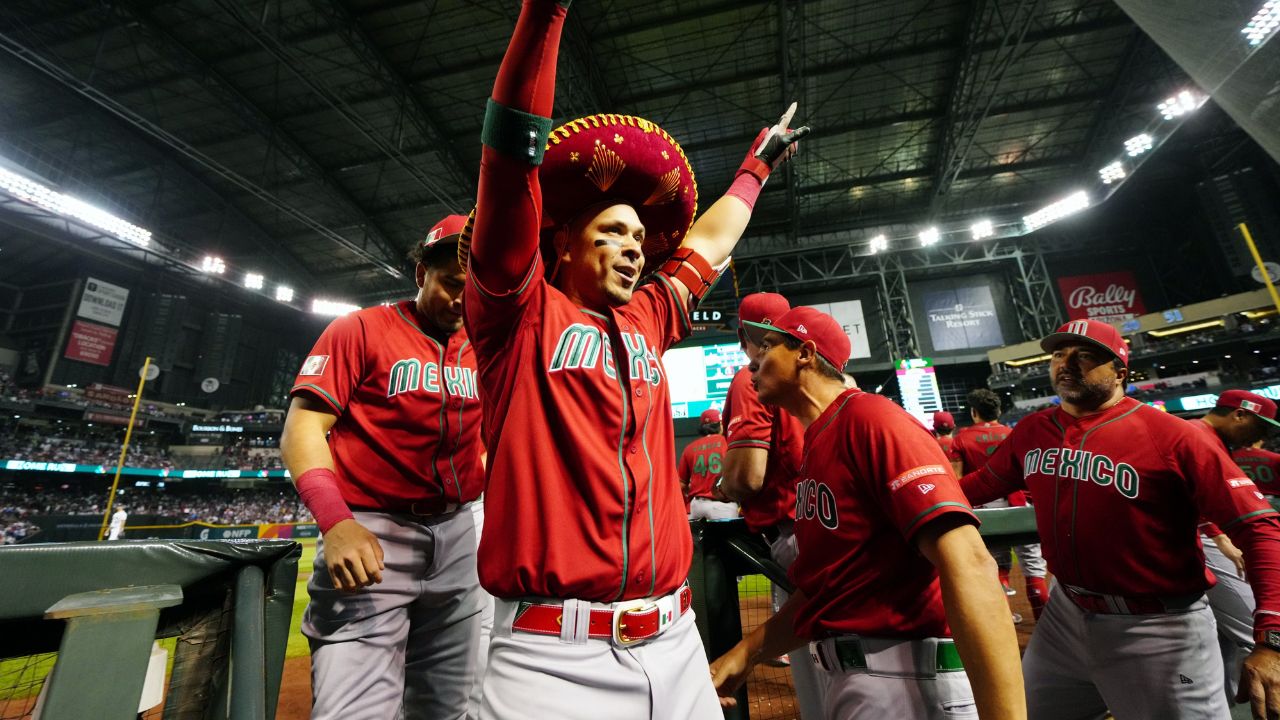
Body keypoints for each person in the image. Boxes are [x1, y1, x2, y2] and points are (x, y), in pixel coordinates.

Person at [460, 2, 807, 718]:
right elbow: (508, 153)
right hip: (551, 661)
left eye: (642, 237)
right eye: (614, 229)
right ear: (558, 241)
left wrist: (755, 168)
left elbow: (710, 241)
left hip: (676, 643)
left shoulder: (647, 317)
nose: (635, 246)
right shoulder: (513, 312)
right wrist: (544, 13)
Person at [709, 306, 1025, 719]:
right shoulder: (820, 441)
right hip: (858, 676)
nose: (752, 363)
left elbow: (969, 561)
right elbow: (829, 590)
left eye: (766, 348)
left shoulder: (871, 419)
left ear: (804, 353)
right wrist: (743, 655)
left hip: (907, 678)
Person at [961, 319, 1280, 719]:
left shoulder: (1174, 435)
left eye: (1087, 356)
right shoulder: (1033, 429)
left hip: (1158, 626)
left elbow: (1259, 526)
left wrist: (1272, 637)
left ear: (1121, 373)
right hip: (1066, 613)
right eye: (1059, 354)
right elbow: (978, 485)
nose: (1067, 363)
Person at [280, 214, 489, 720]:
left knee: (451, 709)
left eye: (474, 289)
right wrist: (337, 521)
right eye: (452, 285)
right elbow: (301, 431)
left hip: (461, 532)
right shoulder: (360, 329)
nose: (463, 300)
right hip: (372, 532)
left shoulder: (489, 347)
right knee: (353, 711)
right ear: (422, 275)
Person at [720, 291, 828, 715]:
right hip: (832, 521)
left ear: (744, 334)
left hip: (796, 534)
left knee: (825, 683)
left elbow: (747, 476)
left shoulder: (753, 375)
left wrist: (724, 487)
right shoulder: (815, 367)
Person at [1194, 390, 1280, 711]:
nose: (1264, 435)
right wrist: (1218, 537)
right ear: (1239, 414)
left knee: (1221, 641)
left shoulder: (1212, 442)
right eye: (1261, 425)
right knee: (1252, 631)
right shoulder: (1195, 437)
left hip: (1203, 544)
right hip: (1200, 543)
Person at [953, 388, 1048, 622]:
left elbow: (957, 481)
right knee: (1034, 568)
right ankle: (1046, 623)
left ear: (974, 412)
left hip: (985, 508)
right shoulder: (1013, 432)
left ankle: (1007, 622)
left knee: (997, 568)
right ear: (998, 411)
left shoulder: (962, 438)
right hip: (1020, 503)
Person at [680, 409, 736, 520]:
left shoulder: (689, 448)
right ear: (720, 424)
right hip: (723, 505)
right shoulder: (728, 442)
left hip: (696, 506)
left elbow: (681, 484)